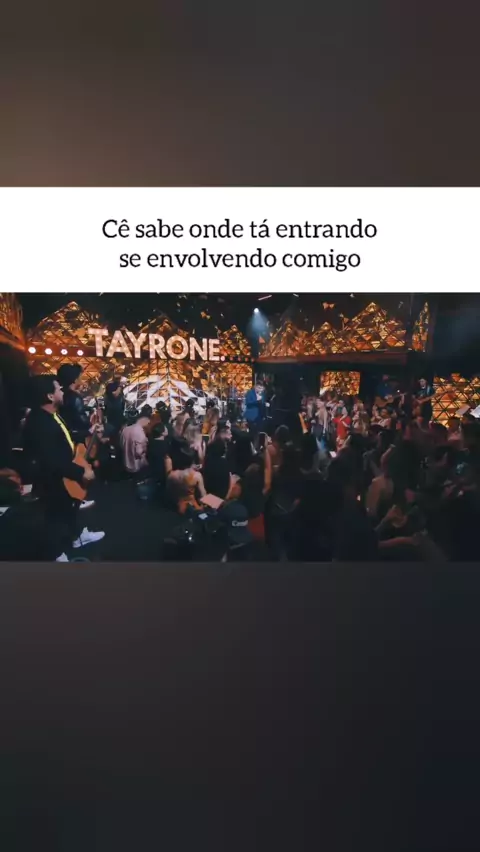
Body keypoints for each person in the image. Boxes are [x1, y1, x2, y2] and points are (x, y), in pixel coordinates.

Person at [22, 374, 105, 561]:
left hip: (62, 475)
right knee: (54, 517)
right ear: (50, 396)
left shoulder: (51, 415)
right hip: (52, 479)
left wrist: (88, 432)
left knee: (69, 507)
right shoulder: (41, 424)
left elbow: (65, 435)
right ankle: (56, 555)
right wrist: (81, 472)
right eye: (58, 389)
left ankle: (77, 536)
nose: (62, 391)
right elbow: (52, 461)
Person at [57, 364, 91, 443]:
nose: (81, 379)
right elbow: (82, 419)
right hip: (77, 436)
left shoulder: (60, 393)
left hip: (63, 433)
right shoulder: (75, 397)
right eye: (80, 377)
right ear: (75, 380)